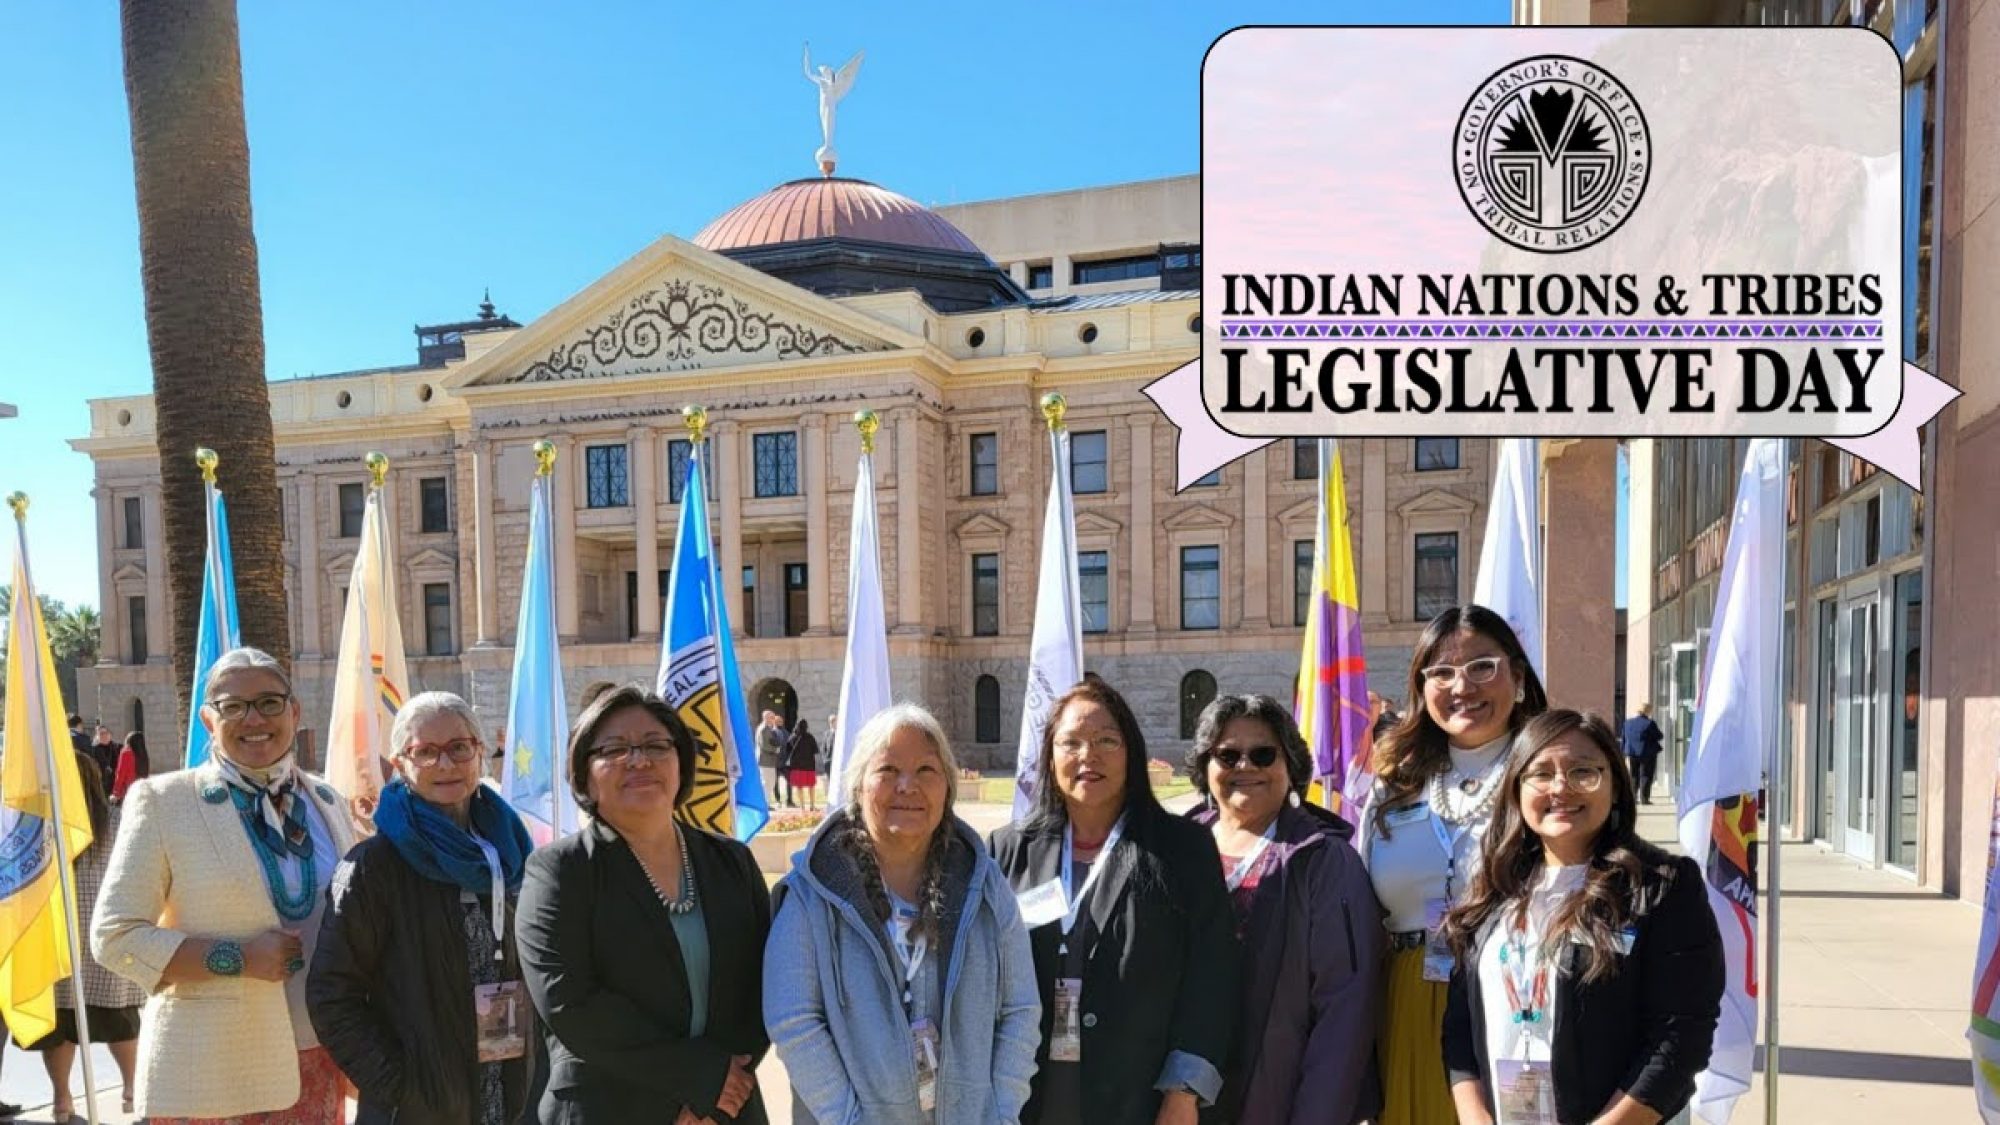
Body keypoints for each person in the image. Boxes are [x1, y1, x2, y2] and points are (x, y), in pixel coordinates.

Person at [93, 646, 358, 1123]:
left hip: (317, 1064)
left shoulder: (326, 800)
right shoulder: (164, 802)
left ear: (294, 711)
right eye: (232, 706)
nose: (253, 717)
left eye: (269, 702)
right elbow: (115, 937)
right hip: (208, 1078)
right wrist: (237, 959)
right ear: (209, 720)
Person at [1441, 711, 1724, 1124]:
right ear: (1517, 789)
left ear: (1614, 785)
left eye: (1583, 771)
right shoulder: (1492, 889)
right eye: (1541, 773)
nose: (1561, 787)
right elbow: (1460, 1026)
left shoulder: (1661, 886)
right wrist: (1475, 1116)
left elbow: (1680, 1037)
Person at [765, 703, 1040, 1123]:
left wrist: (1000, 1112)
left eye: (926, 771)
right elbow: (794, 1020)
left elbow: (1020, 1008)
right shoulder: (811, 894)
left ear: (946, 787)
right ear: (858, 788)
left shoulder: (984, 887)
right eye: (888, 771)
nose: (907, 786)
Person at [516, 685, 771, 1123]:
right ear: (585, 775)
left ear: (681, 764)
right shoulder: (559, 871)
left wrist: (717, 1095)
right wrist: (699, 1079)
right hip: (609, 1107)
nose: (639, 760)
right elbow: (568, 1002)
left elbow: (767, 981)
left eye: (656, 745)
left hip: (726, 1109)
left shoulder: (732, 862)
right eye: (614, 749)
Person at [990, 679, 1239, 1125]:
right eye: (1072, 743)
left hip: (1139, 1096)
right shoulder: (1007, 852)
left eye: (1107, 740)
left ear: (1132, 753)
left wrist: (1184, 1090)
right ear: (1050, 757)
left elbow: (1212, 978)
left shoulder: (1183, 850)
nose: (1089, 755)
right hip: (1028, 1096)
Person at [308, 691, 540, 1124]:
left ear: (480, 752)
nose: (446, 764)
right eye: (425, 752)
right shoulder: (374, 866)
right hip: (419, 1107)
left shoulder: (513, 854)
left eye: (458, 748)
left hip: (507, 1095)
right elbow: (331, 994)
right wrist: (400, 1087)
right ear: (399, 764)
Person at [1360, 605, 1549, 1125]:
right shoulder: (1395, 781)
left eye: (1481, 667)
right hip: (1406, 997)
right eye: (1441, 672)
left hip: (1517, 1001)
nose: (1461, 685)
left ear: (1517, 673)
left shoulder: (1546, 773)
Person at [1184, 695, 1384, 1124]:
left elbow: (1343, 1013)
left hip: (1276, 1101)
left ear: (1291, 766)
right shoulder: (1174, 851)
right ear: (1205, 766)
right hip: (1180, 1104)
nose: (1245, 766)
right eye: (1227, 754)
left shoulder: (1326, 862)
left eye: (1263, 754)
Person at [17, 753, 147, 1119]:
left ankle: (62, 1101)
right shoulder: (119, 822)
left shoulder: (39, 828)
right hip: (105, 934)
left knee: (59, 1025)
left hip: (55, 936)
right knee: (119, 1019)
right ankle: (132, 1092)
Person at [1621, 703, 1666, 806]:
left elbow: (1623, 739)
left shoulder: (1628, 723)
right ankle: (1644, 799)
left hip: (1632, 753)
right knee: (1646, 775)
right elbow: (1659, 736)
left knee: (1633, 775)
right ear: (1648, 711)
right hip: (1647, 753)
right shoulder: (1649, 723)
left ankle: (1633, 798)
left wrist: (1623, 751)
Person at [784, 719, 821, 812]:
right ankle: (812, 805)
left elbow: (787, 750)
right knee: (811, 786)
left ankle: (802, 806)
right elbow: (816, 750)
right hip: (809, 766)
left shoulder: (792, 738)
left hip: (796, 766)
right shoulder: (810, 737)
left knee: (799, 787)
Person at [759, 711, 790, 808]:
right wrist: (776, 749)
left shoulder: (769, 729)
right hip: (766, 760)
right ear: (766, 718)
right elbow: (764, 745)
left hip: (770, 761)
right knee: (767, 782)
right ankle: (765, 804)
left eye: (773, 717)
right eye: (771, 717)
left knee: (771, 782)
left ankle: (767, 803)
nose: (773, 720)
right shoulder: (764, 729)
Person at [113, 729, 151, 803]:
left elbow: (121, 773)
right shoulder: (143, 754)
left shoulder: (126, 753)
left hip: (128, 790)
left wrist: (116, 792)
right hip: (141, 789)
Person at [90, 725, 121, 795]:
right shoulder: (94, 749)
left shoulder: (116, 747)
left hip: (114, 781)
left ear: (110, 734)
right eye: (101, 734)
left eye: (106, 733)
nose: (104, 735)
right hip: (100, 782)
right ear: (97, 736)